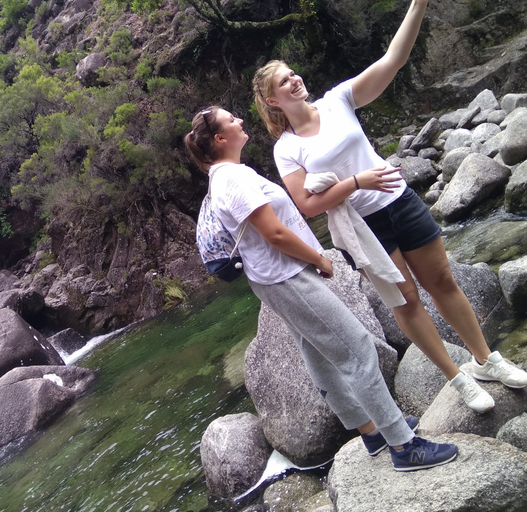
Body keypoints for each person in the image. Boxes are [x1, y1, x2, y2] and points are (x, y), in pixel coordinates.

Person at [252, 0, 527, 414]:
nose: (294, 81)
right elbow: (308, 206)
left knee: (444, 282)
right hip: (364, 227)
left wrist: (418, 5)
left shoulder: (338, 99)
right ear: (272, 101)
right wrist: (356, 182)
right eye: (283, 82)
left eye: (293, 73)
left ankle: (488, 361)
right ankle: (457, 378)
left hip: (400, 199)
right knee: (407, 301)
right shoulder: (287, 150)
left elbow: (393, 60)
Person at [185, 106, 458, 471]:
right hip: (287, 276)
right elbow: (275, 233)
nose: (239, 121)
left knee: (316, 352)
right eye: (231, 120)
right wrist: (318, 258)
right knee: (358, 348)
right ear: (220, 139)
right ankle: (404, 446)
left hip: (275, 278)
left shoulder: (228, 175)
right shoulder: (232, 180)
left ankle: (371, 430)